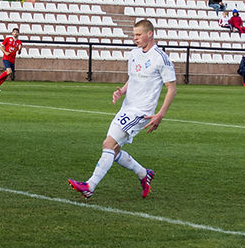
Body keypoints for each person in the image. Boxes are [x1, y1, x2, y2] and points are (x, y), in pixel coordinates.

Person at [68, 19, 176, 199]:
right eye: (134, 35)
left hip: (141, 112)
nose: (135, 38)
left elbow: (172, 89)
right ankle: (144, 174)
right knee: (114, 149)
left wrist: (160, 114)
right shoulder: (134, 54)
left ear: (149, 34)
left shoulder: (161, 58)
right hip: (126, 108)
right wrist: (122, 91)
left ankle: (89, 186)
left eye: (139, 35)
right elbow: (133, 77)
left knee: (108, 144)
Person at [0, 27, 21, 91]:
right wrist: (5, 52)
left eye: (17, 32)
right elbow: (1, 46)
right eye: (14, 32)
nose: (15, 33)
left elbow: (19, 52)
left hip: (12, 60)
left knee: (7, 74)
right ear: (12, 33)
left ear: (18, 34)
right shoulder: (8, 39)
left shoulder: (19, 42)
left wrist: (19, 50)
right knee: (9, 71)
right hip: (6, 58)